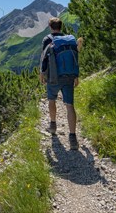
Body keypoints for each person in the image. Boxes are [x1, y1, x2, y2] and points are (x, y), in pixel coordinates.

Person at [39, 17, 84, 150]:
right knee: (69, 105)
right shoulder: (68, 40)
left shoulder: (48, 39)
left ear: (50, 26)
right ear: (61, 26)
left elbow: (44, 59)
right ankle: (73, 138)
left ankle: (53, 126)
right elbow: (75, 58)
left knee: (51, 100)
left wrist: (42, 73)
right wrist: (76, 75)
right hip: (69, 76)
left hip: (54, 77)